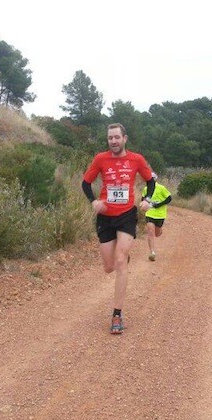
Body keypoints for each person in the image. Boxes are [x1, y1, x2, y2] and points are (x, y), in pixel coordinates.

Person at [82, 123, 155, 335]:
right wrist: (93, 201)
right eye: (110, 138)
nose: (113, 141)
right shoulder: (100, 159)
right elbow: (86, 183)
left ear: (125, 138)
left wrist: (147, 200)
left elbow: (150, 181)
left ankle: (117, 314)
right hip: (105, 217)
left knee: (121, 260)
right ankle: (121, 258)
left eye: (116, 137)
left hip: (126, 215)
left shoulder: (136, 159)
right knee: (109, 267)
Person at [141, 173, 172, 262]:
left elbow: (169, 198)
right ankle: (152, 252)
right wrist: (144, 203)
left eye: (153, 179)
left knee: (157, 234)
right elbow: (143, 198)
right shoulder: (146, 189)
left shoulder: (161, 188)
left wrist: (159, 204)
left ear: (156, 179)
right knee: (150, 233)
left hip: (160, 214)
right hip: (150, 214)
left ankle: (160, 230)